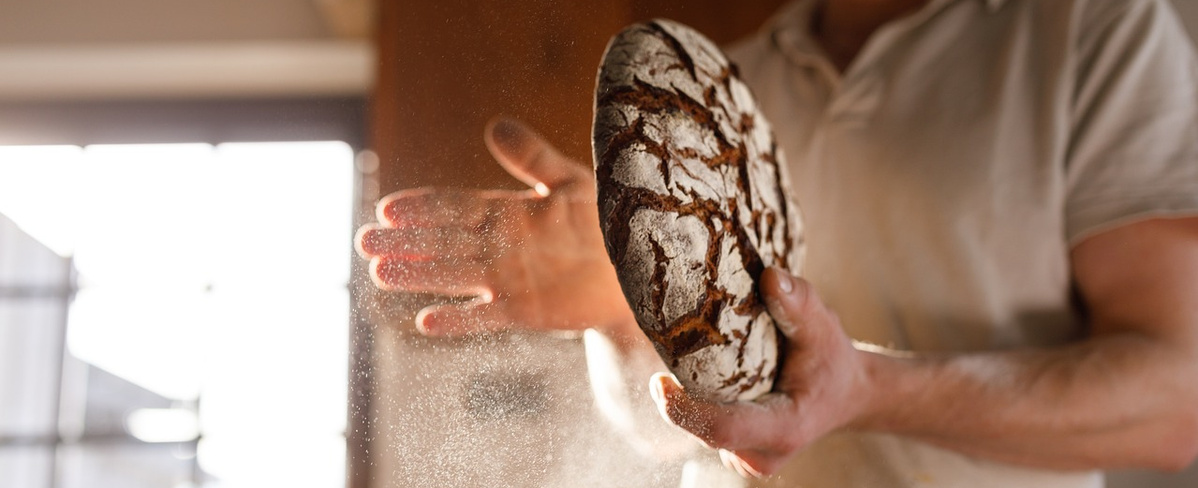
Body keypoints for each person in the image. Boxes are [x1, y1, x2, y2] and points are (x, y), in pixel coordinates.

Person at [355, 0, 1198, 486]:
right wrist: (622, 310)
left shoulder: (1091, 30)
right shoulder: (715, 84)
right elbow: (673, 430)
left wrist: (870, 388)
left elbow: (1176, 402)